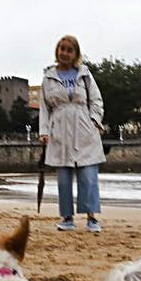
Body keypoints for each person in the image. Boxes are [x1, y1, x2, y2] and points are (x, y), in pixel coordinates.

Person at [39, 35, 106, 233]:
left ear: (75, 54)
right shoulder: (48, 77)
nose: (65, 53)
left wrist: (94, 120)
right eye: (62, 49)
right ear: (56, 51)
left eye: (69, 50)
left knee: (88, 176)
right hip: (59, 129)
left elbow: (96, 100)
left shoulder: (85, 75)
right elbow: (44, 108)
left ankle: (91, 217)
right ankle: (67, 218)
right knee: (63, 178)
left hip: (84, 127)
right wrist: (43, 131)